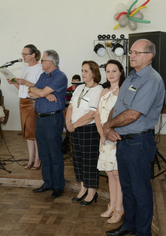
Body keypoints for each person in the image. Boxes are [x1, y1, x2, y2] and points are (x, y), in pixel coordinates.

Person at [103, 39, 165, 236]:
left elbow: (133, 114)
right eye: (131, 52)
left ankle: (143, 232)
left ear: (149, 56)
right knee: (127, 188)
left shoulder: (152, 80)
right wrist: (109, 127)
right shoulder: (131, 77)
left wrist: (108, 125)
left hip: (139, 142)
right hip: (123, 141)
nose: (132, 55)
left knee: (141, 191)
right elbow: (119, 106)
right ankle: (129, 225)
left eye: (137, 52)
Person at [28, 50, 67, 199]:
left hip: (52, 118)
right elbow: (31, 91)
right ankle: (48, 183)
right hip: (41, 118)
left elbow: (39, 93)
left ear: (50, 63)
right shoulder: (44, 75)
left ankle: (58, 185)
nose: (41, 63)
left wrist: (43, 93)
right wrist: (43, 92)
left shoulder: (60, 77)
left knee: (54, 152)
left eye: (43, 61)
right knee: (44, 152)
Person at [65, 61, 103, 205]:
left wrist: (74, 124)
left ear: (94, 73)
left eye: (86, 71)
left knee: (89, 161)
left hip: (89, 129)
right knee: (78, 159)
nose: (83, 74)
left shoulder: (98, 89)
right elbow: (70, 107)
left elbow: (92, 114)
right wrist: (68, 122)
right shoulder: (79, 87)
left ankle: (92, 191)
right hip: (74, 128)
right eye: (82, 70)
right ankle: (83, 188)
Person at [95, 60, 125, 223]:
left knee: (117, 173)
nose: (111, 74)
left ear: (121, 72)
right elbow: (98, 115)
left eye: (114, 70)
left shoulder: (124, 91)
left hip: (115, 136)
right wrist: (101, 132)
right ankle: (112, 205)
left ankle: (120, 209)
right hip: (104, 137)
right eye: (108, 71)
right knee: (109, 172)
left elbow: (123, 117)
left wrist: (109, 132)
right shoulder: (104, 91)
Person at [7, 44, 43, 170]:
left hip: (33, 102)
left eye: (25, 54)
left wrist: (24, 82)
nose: (23, 56)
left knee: (34, 132)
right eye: (22, 54)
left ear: (33, 55)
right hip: (23, 101)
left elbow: (40, 88)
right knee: (28, 133)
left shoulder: (40, 68)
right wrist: (14, 83)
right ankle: (30, 158)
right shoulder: (26, 68)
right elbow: (23, 88)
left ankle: (38, 159)